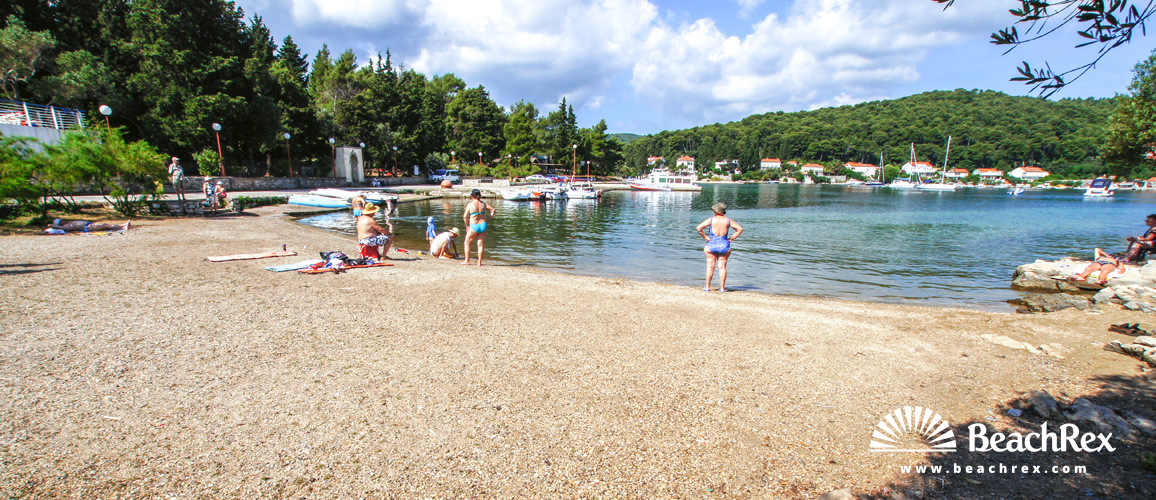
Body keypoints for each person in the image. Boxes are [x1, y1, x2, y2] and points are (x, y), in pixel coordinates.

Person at [696, 202, 744, 292]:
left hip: (711, 245)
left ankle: (707, 287)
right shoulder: (728, 220)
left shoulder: (711, 220)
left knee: (710, 267)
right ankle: (722, 288)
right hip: (724, 245)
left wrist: (705, 237)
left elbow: (699, 228)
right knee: (722, 267)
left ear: (715, 211)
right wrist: (731, 239)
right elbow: (740, 229)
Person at [461, 189, 496, 266]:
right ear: (479, 195)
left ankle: (467, 260)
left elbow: (465, 217)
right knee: (480, 244)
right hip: (483, 225)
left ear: (472, 196)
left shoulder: (470, 205)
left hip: (474, 225)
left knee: (467, 243)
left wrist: (467, 226)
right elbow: (493, 210)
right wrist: (488, 220)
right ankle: (479, 262)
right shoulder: (483, 204)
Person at [46, 218, 130, 233]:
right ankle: (122, 226)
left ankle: (122, 226)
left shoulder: (68, 224)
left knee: (105, 225)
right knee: (105, 225)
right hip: (87, 227)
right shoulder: (66, 226)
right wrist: (51, 225)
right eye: (61, 221)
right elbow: (54, 226)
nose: (63, 221)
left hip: (89, 224)